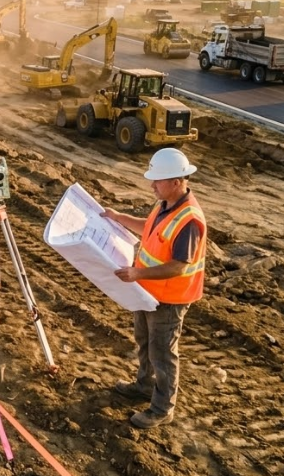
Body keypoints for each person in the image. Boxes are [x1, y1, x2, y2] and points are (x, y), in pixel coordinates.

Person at [100, 148, 207, 429]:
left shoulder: (189, 220)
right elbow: (148, 229)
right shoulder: (165, 205)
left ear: (176, 181)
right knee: (145, 343)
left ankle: (161, 408)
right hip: (147, 292)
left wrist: (138, 272)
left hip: (169, 299)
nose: (152, 185)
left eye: (157, 181)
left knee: (162, 353)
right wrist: (118, 216)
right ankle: (144, 386)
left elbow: (179, 266)